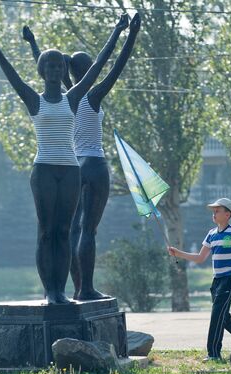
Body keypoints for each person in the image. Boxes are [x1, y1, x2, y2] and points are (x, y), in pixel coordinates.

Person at [0, 12, 129, 304]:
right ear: (42, 71)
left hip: (70, 171)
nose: (55, 70)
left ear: (62, 70)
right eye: (50, 66)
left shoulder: (74, 97)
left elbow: (99, 66)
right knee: (46, 232)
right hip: (43, 170)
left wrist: (119, 32)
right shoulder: (34, 99)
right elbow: (7, 67)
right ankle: (52, 291)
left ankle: (63, 290)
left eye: (59, 65)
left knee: (65, 231)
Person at [21, 14, 141, 300]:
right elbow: (114, 67)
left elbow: (45, 65)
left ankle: (73, 288)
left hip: (71, 166)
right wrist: (130, 36)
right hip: (94, 164)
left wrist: (33, 44)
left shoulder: (63, 96)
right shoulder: (92, 94)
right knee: (88, 230)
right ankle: (86, 288)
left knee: (67, 231)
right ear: (87, 70)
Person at [168, 198, 231, 361]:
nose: (214, 213)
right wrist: (178, 253)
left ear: (228, 214)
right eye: (213, 211)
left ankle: (214, 354)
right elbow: (200, 258)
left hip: (230, 279)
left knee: (217, 315)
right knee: (224, 318)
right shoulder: (211, 234)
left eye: (218, 210)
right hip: (216, 281)